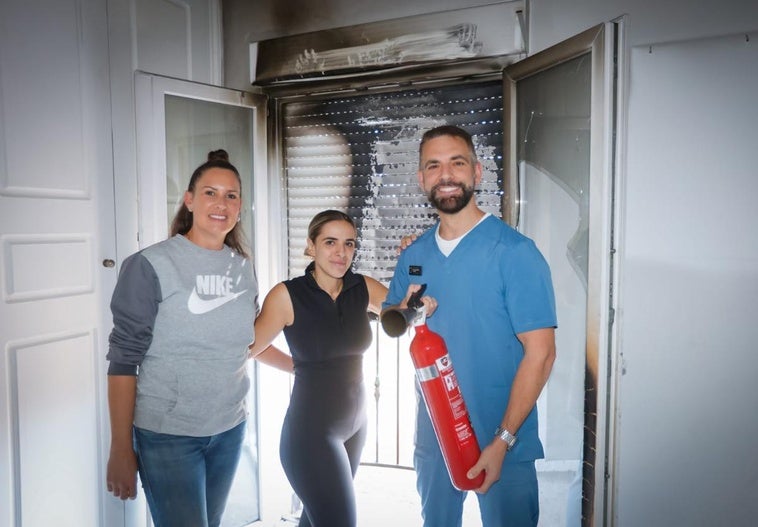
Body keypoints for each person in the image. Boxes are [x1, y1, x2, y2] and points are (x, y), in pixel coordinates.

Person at [383, 125, 557, 527]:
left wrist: (502, 441)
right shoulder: (415, 254)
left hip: (503, 440)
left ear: (477, 172)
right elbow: (396, 311)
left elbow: (542, 354)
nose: (445, 174)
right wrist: (401, 308)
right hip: (436, 437)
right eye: (434, 165)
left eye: (456, 163)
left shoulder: (516, 253)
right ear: (422, 178)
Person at [248, 210, 434, 527]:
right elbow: (250, 347)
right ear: (311, 246)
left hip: (355, 427)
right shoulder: (287, 295)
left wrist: (415, 258)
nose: (341, 252)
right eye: (330, 242)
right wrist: (297, 366)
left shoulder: (361, 288)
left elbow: (406, 308)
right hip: (311, 435)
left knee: (317, 519)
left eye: (348, 244)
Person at [105, 150, 257, 527]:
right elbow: (123, 360)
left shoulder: (242, 266)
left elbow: (245, 341)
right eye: (210, 193)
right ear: (189, 200)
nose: (221, 204)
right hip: (168, 436)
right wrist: (122, 448)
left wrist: (304, 366)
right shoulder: (150, 265)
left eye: (231, 195)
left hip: (229, 429)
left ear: (240, 207)